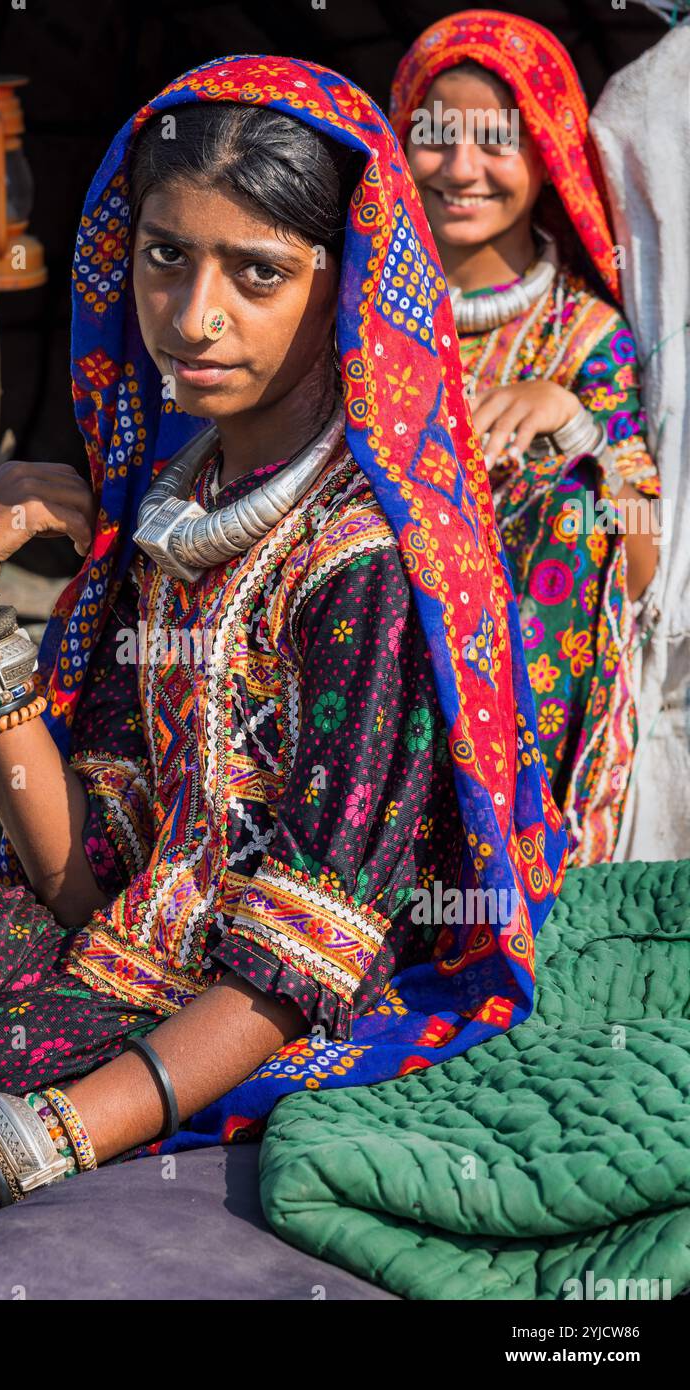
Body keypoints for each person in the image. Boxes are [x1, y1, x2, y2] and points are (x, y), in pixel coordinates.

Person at [0, 54, 565, 1286]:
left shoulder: (366, 565)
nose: (194, 316)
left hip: (235, 1013)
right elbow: (83, 876)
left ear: (347, 286)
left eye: (257, 272)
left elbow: (292, 975)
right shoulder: (178, 503)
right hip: (108, 940)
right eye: (164, 257)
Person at [390, 9, 662, 864]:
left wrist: (578, 426)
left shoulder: (589, 338)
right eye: (434, 137)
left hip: (532, 734)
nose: (462, 169)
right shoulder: (358, 321)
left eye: (497, 141)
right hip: (368, 704)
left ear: (547, 155)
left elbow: (649, 563)